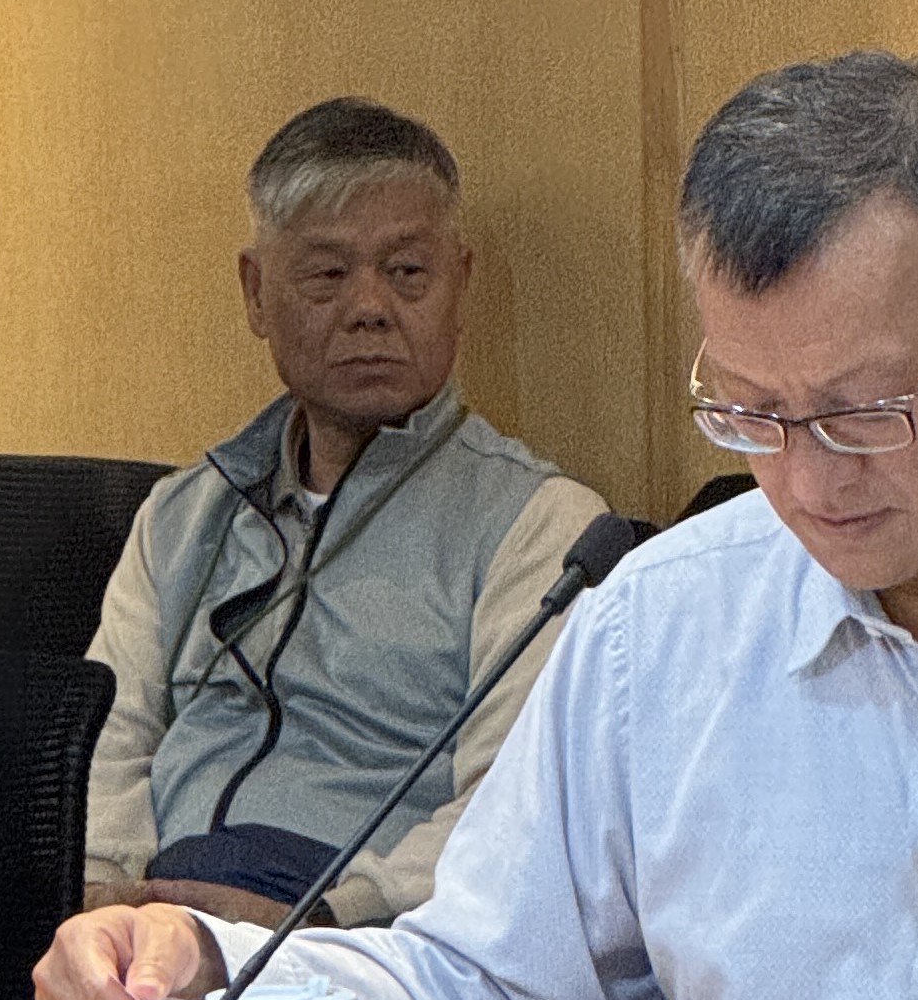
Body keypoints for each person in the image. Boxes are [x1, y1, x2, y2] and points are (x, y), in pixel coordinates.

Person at [34, 52, 918, 1000]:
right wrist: (207, 964)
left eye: (864, 411)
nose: (809, 481)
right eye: (752, 414)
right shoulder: (661, 628)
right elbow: (484, 992)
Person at [80, 99, 606, 926]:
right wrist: (102, 891)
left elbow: (516, 807)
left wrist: (331, 919)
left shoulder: (543, 527)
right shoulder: (183, 516)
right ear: (256, 292)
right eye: (328, 275)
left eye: (408, 273)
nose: (370, 307)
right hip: (146, 914)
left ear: (460, 286)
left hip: (363, 932)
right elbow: (108, 740)